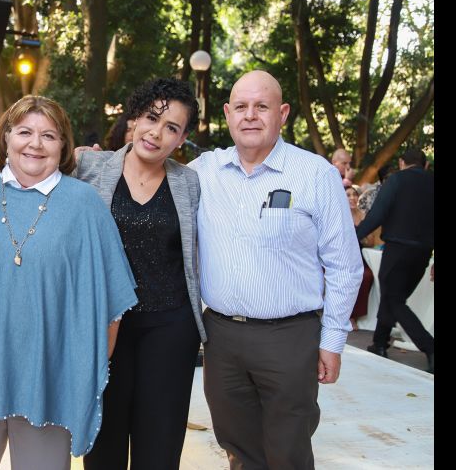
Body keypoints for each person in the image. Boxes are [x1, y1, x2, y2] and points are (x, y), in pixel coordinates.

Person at [0, 95, 138, 469]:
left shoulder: (84, 203)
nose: (35, 143)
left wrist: (82, 368)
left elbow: (113, 299)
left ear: (63, 145)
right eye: (25, 132)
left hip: (49, 377)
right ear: (6, 137)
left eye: (49, 135)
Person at [186, 70, 363, 470]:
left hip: (290, 337)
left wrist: (332, 340)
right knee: (237, 446)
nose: (251, 116)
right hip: (222, 337)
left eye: (262, 107)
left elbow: (344, 265)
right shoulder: (203, 172)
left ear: (281, 114)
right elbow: (146, 171)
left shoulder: (315, 174)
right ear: (228, 114)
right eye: (242, 107)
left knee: (288, 450)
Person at [75, 78, 207, 470]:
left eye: (172, 128)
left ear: (181, 139)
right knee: (103, 444)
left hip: (170, 328)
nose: (157, 132)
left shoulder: (189, 183)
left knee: (159, 447)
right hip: (104, 326)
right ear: (135, 118)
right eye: (152, 118)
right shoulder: (89, 167)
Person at [356, 148, 434, 374]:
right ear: (425, 165)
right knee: (393, 297)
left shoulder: (396, 180)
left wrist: (355, 236)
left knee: (394, 299)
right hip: (423, 253)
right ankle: (379, 343)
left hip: (397, 248)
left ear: (401, 163)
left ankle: (429, 346)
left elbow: (377, 214)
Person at [346, 185, 377, 330]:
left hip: (361, 256)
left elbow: (371, 241)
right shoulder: (340, 214)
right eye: (348, 195)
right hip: (344, 257)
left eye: (354, 194)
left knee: (367, 276)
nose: (352, 198)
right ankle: (348, 316)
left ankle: (357, 315)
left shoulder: (364, 215)